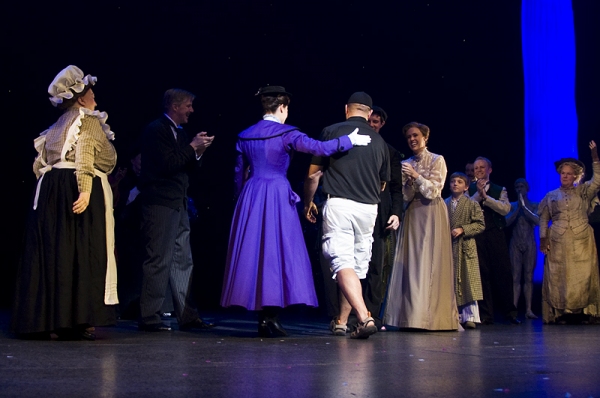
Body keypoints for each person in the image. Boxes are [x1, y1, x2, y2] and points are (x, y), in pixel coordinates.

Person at [220, 86, 371, 337]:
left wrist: (241, 200)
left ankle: (265, 318)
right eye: (287, 109)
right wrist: (348, 141)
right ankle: (269, 317)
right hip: (276, 194)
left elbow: (238, 173)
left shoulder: (245, 135)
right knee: (275, 253)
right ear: (282, 107)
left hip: (252, 195)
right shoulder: (286, 133)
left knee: (257, 254)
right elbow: (317, 148)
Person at [12, 65, 118, 340]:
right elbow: (84, 152)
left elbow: (40, 163)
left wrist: (46, 194)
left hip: (51, 189)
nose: (95, 98)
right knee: (80, 252)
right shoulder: (87, 119)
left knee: (55, 252)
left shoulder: (58, 125)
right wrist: (84, 190)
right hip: (75, 184)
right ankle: (78, 318)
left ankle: (49, 319)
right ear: (81, 98)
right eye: (91, 93)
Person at [304, 92, 389, 339]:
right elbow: (383, 183)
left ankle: (364, 317)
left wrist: (308, 202)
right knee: (355, 266)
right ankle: (342, 320)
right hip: (369, 208)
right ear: (370, 114)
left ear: (346, 109)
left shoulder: (332, 131)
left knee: (341, 262)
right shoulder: (380, 141)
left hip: (340, 203)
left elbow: (313, 175)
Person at [137, 88, 215, 332]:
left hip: (178, 202)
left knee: (183, 260)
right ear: (175, 106)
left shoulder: (179, 133)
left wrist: (198, 152)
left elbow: (185, 166)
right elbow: (167, 164)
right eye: (188, 105)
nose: (191, 110)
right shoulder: (156, 130)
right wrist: (192, 147)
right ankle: (149, 316)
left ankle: (187, 316)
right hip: (160, 203)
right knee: (159, 259)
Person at [383, 122, 459, 331]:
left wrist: (416, 176)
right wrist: (407, 181)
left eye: (415, 135)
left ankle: (433, 318)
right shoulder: (405, 163)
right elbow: (406, 197)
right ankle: (411, 316)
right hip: (414, 215)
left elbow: (434, 191)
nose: (412, 140)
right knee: (413, 264)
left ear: (425, 137)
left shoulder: (437, 159)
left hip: (432, 213)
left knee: (431, 263)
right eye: (408, 137)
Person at [539, 141, 600, 324]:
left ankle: (585, 312)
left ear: (575, 176)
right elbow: (543, 218)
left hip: (582, 240)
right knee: (560, 277)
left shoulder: (583, 192)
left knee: (583, 276)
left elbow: (598, 180)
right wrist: (543, 238)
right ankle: (561, 313)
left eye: (568, 174)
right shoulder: (552, 196)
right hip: (558, 241)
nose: (565, 176)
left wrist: (595, 157)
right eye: (562, 173)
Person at [363, 106, 403, 330]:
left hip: (380, 212)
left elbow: (396, 188)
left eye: (376, 122)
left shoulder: (390, 152)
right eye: (370, 121)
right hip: (357, 208)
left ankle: (373, 314)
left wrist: (396, 213)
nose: (373, 125)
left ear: (381, 125)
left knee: (377, 263)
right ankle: (351, 314)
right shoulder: (355, 146)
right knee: (355, 263)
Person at [468, 157, 520, 324]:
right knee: (482, 274)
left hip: (495, 233)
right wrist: (479, 194)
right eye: (476, 168)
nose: (479, 170)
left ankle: (510, 313)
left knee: (503, 272)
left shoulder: (499, 189)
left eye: (482, 167)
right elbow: (466, 207)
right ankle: (486, 314)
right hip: (477, 235)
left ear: (489, 170)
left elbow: (505, 209)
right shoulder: (469, 190)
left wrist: (487, 198)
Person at [445, 172, 485, 329]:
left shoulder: (472, 204)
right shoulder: (444, 203)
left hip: (466, 246)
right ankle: (453, 314)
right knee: (451, 280)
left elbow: (480, 224)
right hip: (449, 246)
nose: (455, 184)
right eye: (453, 181)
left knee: (468, 280)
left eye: (460, 182)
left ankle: (470, 316)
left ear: (466, 186)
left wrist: (463, 229)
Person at [506, 178, 539, 319]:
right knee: (515, 277)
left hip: (529, 242)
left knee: (528, 277)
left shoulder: (534, 205)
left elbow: (537, 220)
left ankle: (529, 309)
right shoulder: (512, 206)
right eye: (517, 186)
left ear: (527, 188)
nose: (520, 189)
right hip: (515, 243)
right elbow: (506, 222)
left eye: (522, 186)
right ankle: (514, 310)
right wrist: (518, 208)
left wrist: (524, 207)